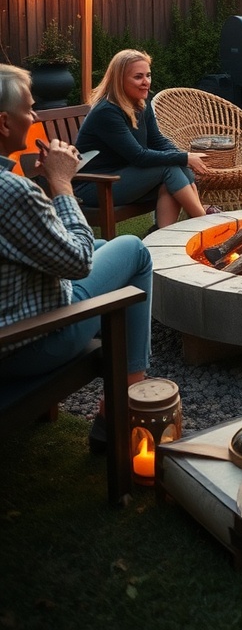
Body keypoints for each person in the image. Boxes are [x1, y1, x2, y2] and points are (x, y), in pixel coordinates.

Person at [0, 63, 153, 453]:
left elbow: (28, 243)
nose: (36, 118)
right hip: (27, 344)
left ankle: (123, 397)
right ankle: (123, 405)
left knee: (105, 248)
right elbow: (78, 261)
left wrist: (44, 189)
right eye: (29, 109)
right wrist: (62, 183)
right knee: (134, 252)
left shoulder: (14, 189)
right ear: (4, 122)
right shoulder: (11, 191)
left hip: (12, 317)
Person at [75, 49, 217, 228]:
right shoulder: (107, 112)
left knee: (178, 168)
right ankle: (205, 223)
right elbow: (139, 156)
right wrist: (184, 157)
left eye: (148, 75)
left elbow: (157, 140)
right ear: (119, 80)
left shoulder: (141, 103)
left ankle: (162, 237)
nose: (146, 82)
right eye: (138, 77)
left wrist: (182, 157)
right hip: (97, 186)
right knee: (169, 167)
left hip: (123, 177)